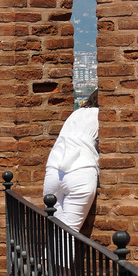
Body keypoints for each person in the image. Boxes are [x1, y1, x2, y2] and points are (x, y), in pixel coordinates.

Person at [43, 90, 99, 232]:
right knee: (68, 233)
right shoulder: (100, 116)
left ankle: (50, 248)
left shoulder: (75, 114)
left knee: (56, 230)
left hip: (54, 170)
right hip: (81, 170)